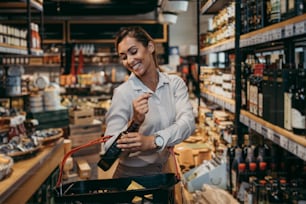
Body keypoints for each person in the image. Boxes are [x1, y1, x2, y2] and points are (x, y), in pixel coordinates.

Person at [102, 26, 195, 178]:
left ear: (150, 47)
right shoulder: (123, 93)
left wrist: (153, 141)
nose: (130, 61)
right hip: (133, 176)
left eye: (133, 52)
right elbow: (108, 149)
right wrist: (135, 122)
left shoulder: (174, 84)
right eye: (124, 57)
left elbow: (188, 123)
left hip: (166, 169)